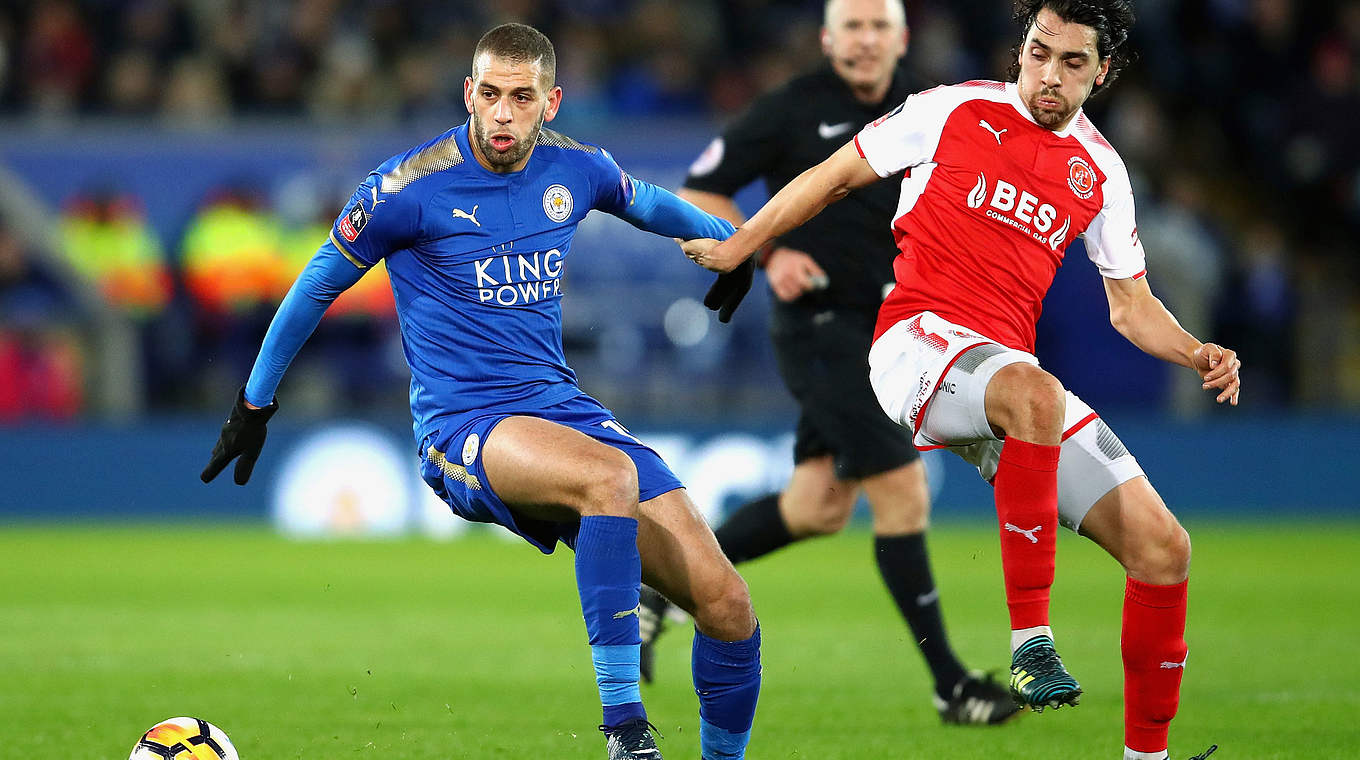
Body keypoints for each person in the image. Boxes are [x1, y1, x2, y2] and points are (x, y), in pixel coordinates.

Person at [685, 2, 1237, 759]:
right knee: (1034, 393)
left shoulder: (1101, 170)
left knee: (1164, 548)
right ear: (1022, 48)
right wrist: (744, 244)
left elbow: (1130, 307)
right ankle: (1032, 641)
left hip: (1003, 380)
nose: (1050, 74)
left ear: (1100, 72)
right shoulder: (951, 110)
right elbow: (832, 176)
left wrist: (1195, 350)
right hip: (914, 341)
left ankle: (1148, 758)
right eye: (1040, 52)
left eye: (1073, 62)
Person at [200, 23, 761, 760]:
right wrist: (254, 401)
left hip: (561, 410)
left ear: (550, 102)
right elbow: (314, 288)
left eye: (520, 97)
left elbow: (648, 202)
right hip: (464, 427)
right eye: (489, 94)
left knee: (728, 605)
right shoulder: (406, 188)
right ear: (468, 92)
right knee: (609, 477)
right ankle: (627, 735)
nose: (502, 113)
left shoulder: (576, 169)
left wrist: (730, 246)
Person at [640, 0, 1018, 727]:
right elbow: (699, 187)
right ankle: (952, 686)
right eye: (854, 26)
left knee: (815, 507)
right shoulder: (791, 108)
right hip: (822, 326)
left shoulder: (930, 109)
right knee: (903, 491)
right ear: (828, 38)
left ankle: (661, 584)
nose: (867, 39)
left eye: (881, 27)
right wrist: (770, 251)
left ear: (903, 38)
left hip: (894, 328)